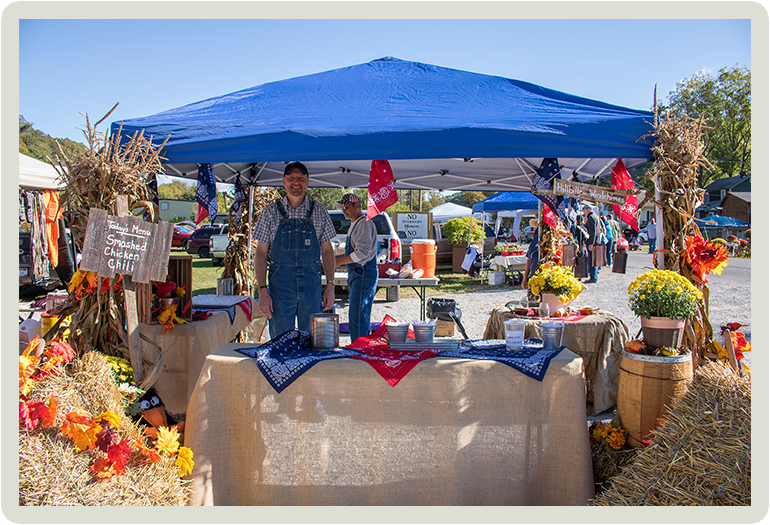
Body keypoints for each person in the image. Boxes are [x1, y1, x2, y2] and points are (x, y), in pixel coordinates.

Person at [253, 161, 337, 338]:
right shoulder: (269, 212)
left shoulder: (320, 211)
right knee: (281, 342)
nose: (296, 182)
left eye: (300, 178)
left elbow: (328, 252)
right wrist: (262, 290)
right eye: (291, 178)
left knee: (312, 341)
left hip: (311, 288)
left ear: (307, 181)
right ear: (284, 181)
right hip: (280, 289)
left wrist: (330, 285)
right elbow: (260, 254)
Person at [333, 193, 378, 342]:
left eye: (346, 207)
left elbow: (362, 253)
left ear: (357, 206)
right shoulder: (355, 223)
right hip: (357, 274)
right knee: (359, 314)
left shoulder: (363, 223)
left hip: (363, 273)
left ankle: (360, 350)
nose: (343, 211)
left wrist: (338, 262)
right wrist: (332, 260)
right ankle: (362, 346)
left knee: (358, 316)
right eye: (342, 208)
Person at [582, 205, 601, 283]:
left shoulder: (591, 218)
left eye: (584, 210)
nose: (583, 212)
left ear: (589, 209)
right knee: (593, 259)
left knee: (592, 259)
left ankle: (593, 277)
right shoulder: (594, 217)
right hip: (596, 241)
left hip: (592, 242)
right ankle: (593, 276)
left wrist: (591, 243)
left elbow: (592, 232)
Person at [521, 218, 539, 290]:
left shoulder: (553, 241)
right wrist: (525, 277)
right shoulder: (535, 239)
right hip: (533, 278)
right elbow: (528, 259)